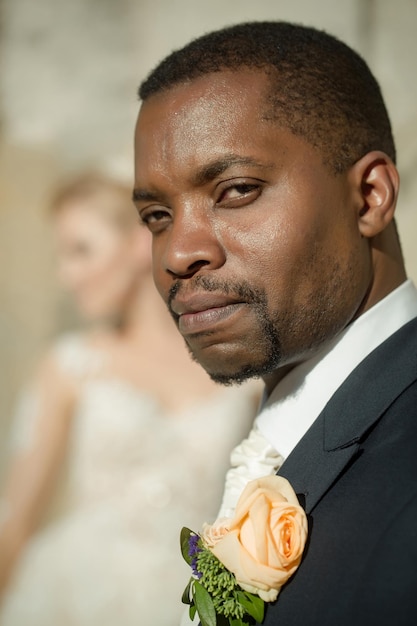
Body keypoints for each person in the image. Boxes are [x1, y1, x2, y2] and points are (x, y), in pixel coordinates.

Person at [133, 21, 417, 626]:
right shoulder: (275, 430)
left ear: (369, 197)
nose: (177, 253)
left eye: (236, 191)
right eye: (157, 214)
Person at [0, 172, 260, 626]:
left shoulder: (242, 375)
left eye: (81, 250)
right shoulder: (72, 366)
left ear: (142, 242)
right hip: (72, 604)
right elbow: (14, 522)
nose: (66, 274)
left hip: (193, 604)